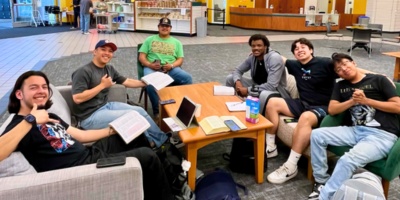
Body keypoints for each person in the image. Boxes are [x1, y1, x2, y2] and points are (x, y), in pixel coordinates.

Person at [0, 71, 174, 200]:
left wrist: (114, 130)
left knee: (134, 135)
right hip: (81, 167)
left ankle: (165, 179)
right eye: (33, 87)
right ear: (19, 94)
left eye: (44, 87)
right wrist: (30, 120)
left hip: (88, 152)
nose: (41, 91)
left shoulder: (48, 115)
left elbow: (82, 136)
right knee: (147, 156)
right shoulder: (19, 125)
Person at [308, 53, 400, 200]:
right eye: (338, 69)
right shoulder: (340, 86)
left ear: (354, 63)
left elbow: (398, 106)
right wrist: (352, 101)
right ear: (337, 74)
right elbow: (332, 110)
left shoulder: (378, 79)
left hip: (382, 134)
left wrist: (366, 101)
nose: (343, 69)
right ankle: (321, 180)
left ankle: (324, 197)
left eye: (345, 64)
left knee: (347, 160)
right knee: (317, 134)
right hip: (355, 130)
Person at [266, 38, 338, 184]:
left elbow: (346, 67)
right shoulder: (294, 65)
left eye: (303, 47)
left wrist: (374, 76)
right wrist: (261, 51)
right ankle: (270, 147)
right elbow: (280, 57)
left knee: (305, 117)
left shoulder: (325, 63)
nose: (299, 49)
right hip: (303, 103)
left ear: (311, 50)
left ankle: (291, 166)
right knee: (272, 102)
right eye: (296, 49)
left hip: (323, 107)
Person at [71, 40, 168, 148]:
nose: (107, 53)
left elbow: (127, 81)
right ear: (94, 52)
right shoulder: (84, 71)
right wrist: (102, 86)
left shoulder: (109, 69)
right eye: (103, 49)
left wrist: (147, 83)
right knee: (133, 116)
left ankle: (162, 140)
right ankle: (150, 144)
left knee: (140, 111)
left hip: (105, 106)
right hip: (89, 117)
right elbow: (77, 98)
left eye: (110, 51)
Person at [138, 17, 193, 119]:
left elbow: (180, 60)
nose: (165, 28)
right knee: (150, 82)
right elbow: (141, 57)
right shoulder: (149, 40)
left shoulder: (177, 42)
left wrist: (171, 66)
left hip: (170, 68)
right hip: (152, 67)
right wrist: (150, 65)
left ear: (170, 28)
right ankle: (157, 111)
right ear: (158, 27)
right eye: (162, 26)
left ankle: (181, 106)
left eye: (167, 26)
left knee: (187, 78)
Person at [225, 34, 288, 113]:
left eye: (259, 45)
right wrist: (238, 82)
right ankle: (230, 105)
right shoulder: (253, 57)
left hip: (275, 91)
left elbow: (271, 86)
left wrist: (247, 90)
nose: (256, 48)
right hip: (257, 85)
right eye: (253, 46)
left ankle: (259, 118)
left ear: (265, 46)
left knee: (264, 94)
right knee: (230, 78)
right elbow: (237, 70)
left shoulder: (274, 58)